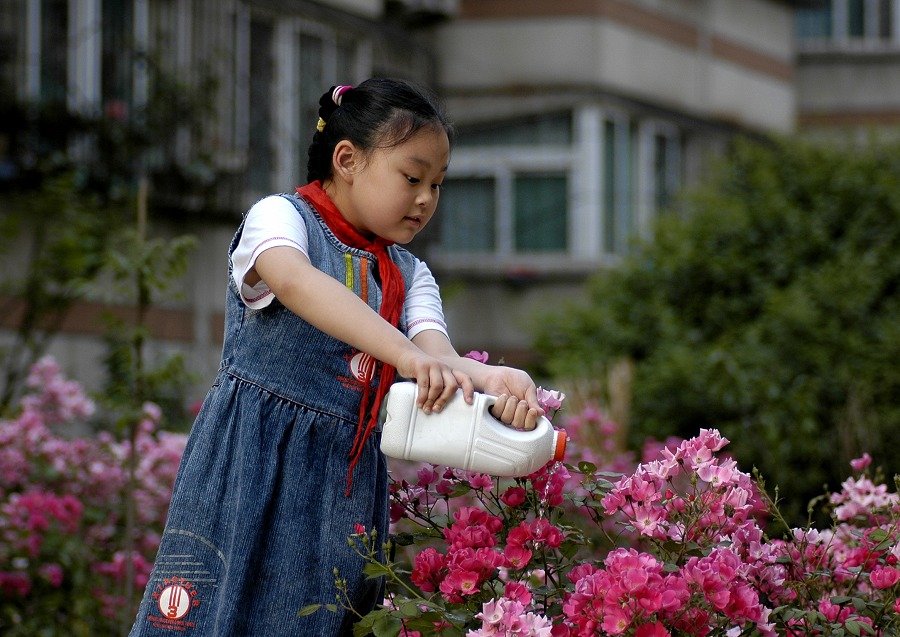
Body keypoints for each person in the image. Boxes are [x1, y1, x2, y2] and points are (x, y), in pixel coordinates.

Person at [127, 77, 545, 637]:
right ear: (347, 160)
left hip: (342, 489)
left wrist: (497, 380)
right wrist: (402, 352)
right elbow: (296, 282)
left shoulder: (410, 274)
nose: (426, 199)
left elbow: (437, 355)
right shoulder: (280, 219)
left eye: (438, 184)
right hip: (250, 465)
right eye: (412, 177)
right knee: (206, 616)